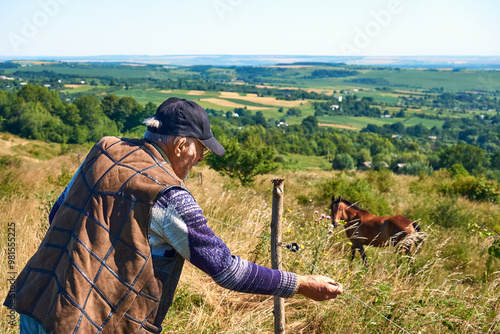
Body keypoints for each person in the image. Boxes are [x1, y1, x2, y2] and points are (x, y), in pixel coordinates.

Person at [4, 97, 343, 333]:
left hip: (37, 302)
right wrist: (299, 283)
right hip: (90, 324)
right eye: (201, 150)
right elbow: (226, 270)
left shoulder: (105, 150)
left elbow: (58, 213)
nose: (200, 160)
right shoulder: (169, 195)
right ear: (181, 146)